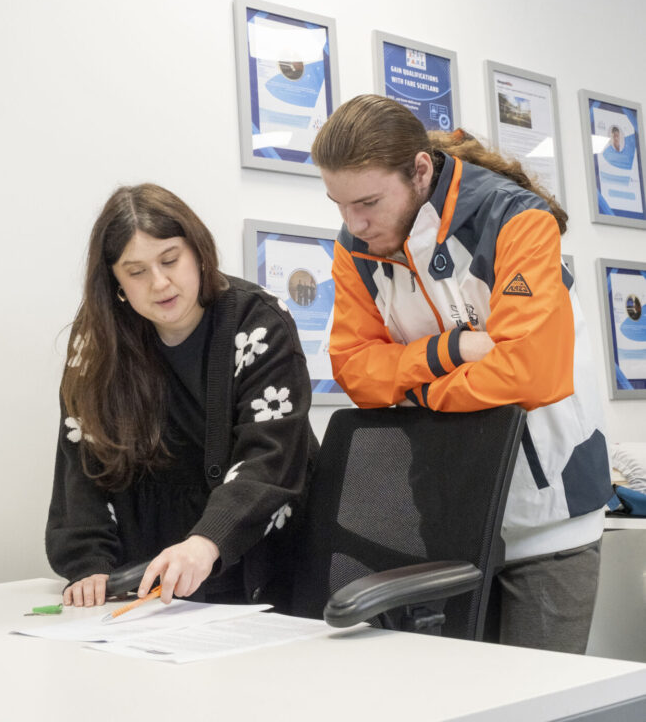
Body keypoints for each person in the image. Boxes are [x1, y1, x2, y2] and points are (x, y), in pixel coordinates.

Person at [311, 94, 612, 653]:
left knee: (536, 706)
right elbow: (353, 371)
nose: (354, 223)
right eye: (339, 203)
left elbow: (528, 373)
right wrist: (449, 350)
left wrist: (418, 394)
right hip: (448, 516)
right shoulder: (355, 249)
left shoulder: (517, 219)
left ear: (420, 170)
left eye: (369, 201)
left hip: (552, 517)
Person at [46, 184, 318, 608]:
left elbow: (270, 456)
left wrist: (207, 541)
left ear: (198, 252)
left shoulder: (258, 321)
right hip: (150, 586)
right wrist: (89, 563)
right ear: (115, 281)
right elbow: (82, 457)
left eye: (170, 259)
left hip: (258, 567)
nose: (160, 283)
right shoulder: (98, 340)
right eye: (136, 272)